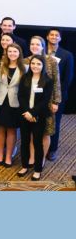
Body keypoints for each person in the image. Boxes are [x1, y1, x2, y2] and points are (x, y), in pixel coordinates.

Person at [23, 36, 61, 167]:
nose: (34, 46)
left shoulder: (52, 61)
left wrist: (56, 101)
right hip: (30, 103)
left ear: (43, 46)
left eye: (37, 44)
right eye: (32, 44)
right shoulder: (25, 61)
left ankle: (42, 158)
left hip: (46, 102)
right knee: (32, 133)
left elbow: (56, 82)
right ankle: (32, 157)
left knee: (45, 132)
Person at [17, 55, 54, 181]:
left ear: (43, 66)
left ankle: (38, 169)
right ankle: (24, 166)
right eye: (33, 63)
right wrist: (27, 113)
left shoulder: (47, 81)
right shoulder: (25, 78)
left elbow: (44, 101)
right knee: (24, 142)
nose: (35, 66)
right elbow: (20, 96)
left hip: (38, 116)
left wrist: (33, 113)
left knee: (37, 143)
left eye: (38, 64)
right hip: (24, 115)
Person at [0, 43, 26, 167]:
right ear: (6, 52)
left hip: (15, 103)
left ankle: (8, 156)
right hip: (0, 102)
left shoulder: (24, 67)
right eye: (10, 51)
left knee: (11, 130)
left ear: (19, 53)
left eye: (15, 51)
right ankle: (0, 155)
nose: (12, 54)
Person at [45, 28, 73, 161]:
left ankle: (52, 149)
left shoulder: (66, 55)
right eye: (52, 34)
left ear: (60, 38)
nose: (54, 37)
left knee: (54, 123)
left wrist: (57, 99)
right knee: (40, 123)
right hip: (40, 94)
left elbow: (68, 78)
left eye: (57, 35)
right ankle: (40, 146)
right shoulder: (40, 51)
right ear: (47, 37)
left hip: (57, 96)